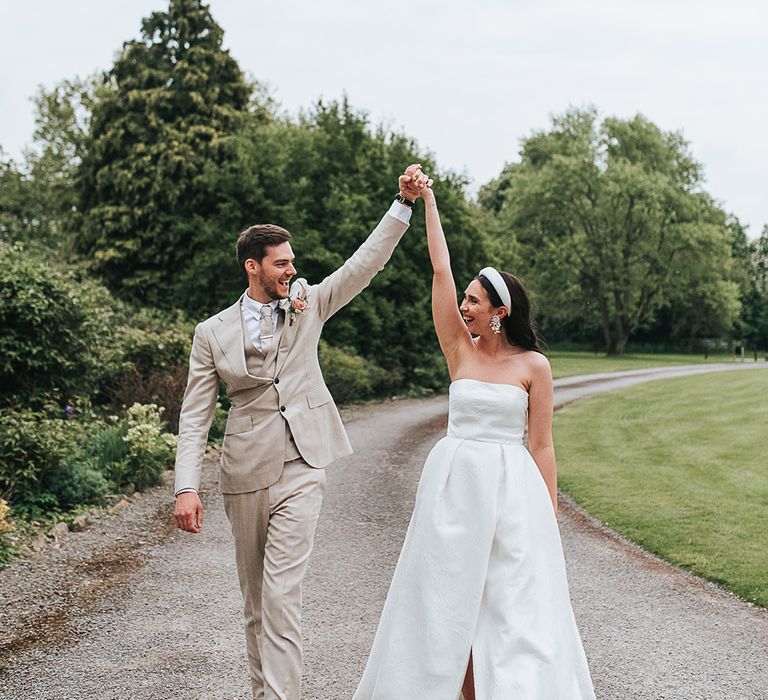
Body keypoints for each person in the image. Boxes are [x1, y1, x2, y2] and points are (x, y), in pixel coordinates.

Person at [172, 165, 426, 700]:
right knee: (255, 601)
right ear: (253, 267)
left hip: (303, 464)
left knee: (282, 595)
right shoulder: (211, 333)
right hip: (244, 470)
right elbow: (196, 413)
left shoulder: (308, 304)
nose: (291, 269)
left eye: (292, 262)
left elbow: (363, 266)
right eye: (281, 263)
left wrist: (402, 205)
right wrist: (186, 486)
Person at [353, 176, 596, 699]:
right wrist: (429, 202)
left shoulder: (534, 365)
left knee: (507, 605)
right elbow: (439, 268)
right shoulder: (458, 351)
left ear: (499, 312)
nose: (464, 305)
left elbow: (542, 445)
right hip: (453, 489)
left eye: (474, 300)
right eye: (464, 298)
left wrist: (547, 513)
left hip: (512, 492)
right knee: (445, 600)